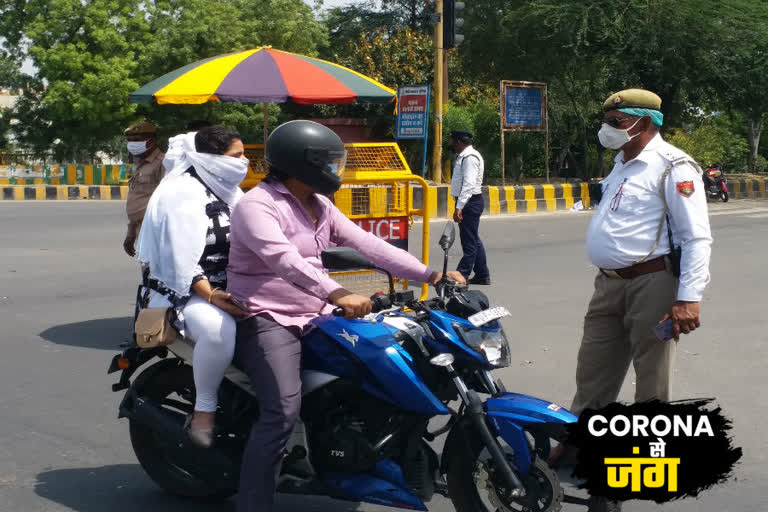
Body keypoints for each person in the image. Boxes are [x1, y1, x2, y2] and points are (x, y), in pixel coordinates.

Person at [227, 120, 466, 512]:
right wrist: (336, 292)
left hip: (316, 312)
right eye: (329, 163)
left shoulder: (318, 204)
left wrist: (431, 275)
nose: (336, 171)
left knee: (382, 363)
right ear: (300, 164)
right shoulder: (257, 205)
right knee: (282, 410)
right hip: (269, 316)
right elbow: (283, 261)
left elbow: (369, 244)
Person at [560, 89, 712, 512]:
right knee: (592, 374)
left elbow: (696, 237)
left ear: (643, 123)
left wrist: (688, 298)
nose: (607, 127)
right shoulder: (619, 164)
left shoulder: (674, 167)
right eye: (607, 118)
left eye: (616, 119)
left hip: (654, 283)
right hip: (608, 284)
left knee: (651, 380)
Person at [135, 125, 250, 448]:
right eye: (236, 156)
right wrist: (212, 295)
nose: (244, 163)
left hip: (233, 284)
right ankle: (204, 411)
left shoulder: (229, 191)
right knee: (218, 331)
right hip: (185, 290)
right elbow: (179, 258)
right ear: (210, 159)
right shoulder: (181, 193)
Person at [449, 130, 491, 285]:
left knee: (469, 241)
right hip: (469, 201)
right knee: (473, 238)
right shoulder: (466, 156)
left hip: (469, 202)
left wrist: (459, 206)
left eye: (453, 141)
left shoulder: (470, 158)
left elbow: (468, 184)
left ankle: (462, 274)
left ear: (459, 142)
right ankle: (482, 274)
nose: (452, 145)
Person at [123, 121, 165, 257]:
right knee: (146, 272)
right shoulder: (140, 163)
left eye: (136, 140)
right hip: (140, 229)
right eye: (129, 140)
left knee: (152, 273)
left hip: (154, 231)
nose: (132, 144)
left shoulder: (163, 163)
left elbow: (167, 202)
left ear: (151, 141)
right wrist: (131, 233)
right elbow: (139, 198)